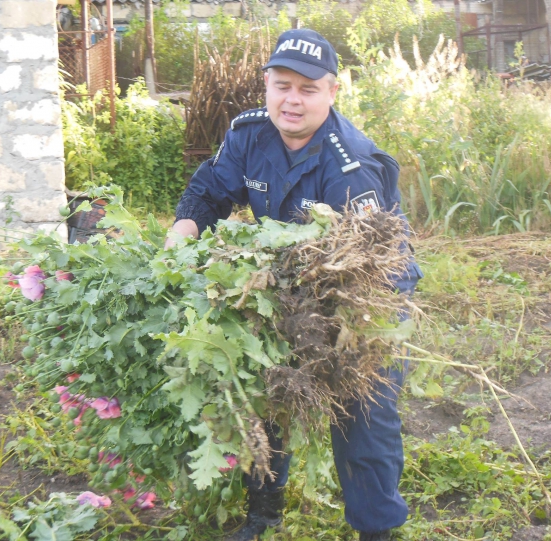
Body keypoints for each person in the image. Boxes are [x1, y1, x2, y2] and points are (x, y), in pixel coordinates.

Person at [166, 28, 423, 541]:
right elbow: (208, 192)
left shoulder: (351, 166)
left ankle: (378, 531)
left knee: (360, 412)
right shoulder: (249, 134)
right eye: (283, 85)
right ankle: (263, 514)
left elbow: (363, 271)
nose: (292, 100)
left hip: (366, 295)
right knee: (262, 385)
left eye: (308, 89)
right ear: (266, 86)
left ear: (332, 92)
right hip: (287, 278)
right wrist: (182, 233)